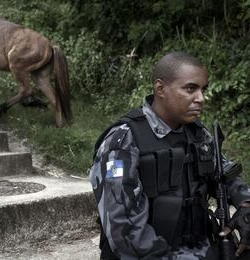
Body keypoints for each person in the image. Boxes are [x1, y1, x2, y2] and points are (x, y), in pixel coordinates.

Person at [89, 52, 250, 259]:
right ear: (160, 88)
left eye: (203, 90)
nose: (200, 98)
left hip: (198, 247)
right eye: (190, 88)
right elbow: (122, 227)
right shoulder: (122, 141)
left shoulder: (198, 134)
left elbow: (224, 174)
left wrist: (246, 205)